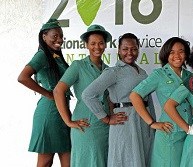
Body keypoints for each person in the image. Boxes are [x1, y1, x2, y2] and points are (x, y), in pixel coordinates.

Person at [82, 33, 155, 167]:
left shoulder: (143, 72)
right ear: (119, 50)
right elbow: (88, 95)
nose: (130, 52)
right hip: (125, 122)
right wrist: (106, 118)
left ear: (138, 49)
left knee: (143, 157)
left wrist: (152, 123)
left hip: (143, 121)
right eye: (125, 49)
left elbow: (148, 100)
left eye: (133, 49)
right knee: (126, 158)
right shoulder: (113, 72)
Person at [53, 24, 120, 167]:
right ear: (86, 45)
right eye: (93, 43)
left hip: (105, 125)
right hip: (85, 125)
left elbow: (109, 98)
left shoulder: (108, 70)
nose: (97, 47)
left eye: (101, 43)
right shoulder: (78, 66)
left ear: (105, 45)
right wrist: (68, 122)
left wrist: (112, 115)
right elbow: (58, 91)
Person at [129, 37, 192, 167]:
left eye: (181, 51)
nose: (177, 56)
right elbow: (135, 96)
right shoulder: (159, 74)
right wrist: (151, 123)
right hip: (169, 134)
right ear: (166, 54)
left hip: (188, 133)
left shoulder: (189, 76)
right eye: (172, 52)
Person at [17, 18, 71, 167]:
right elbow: (22, 77)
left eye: (61, 36)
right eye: (55, 36)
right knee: (46, 161)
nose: (59, 39)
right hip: (49, 113)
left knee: (69, 161)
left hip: (63, 111)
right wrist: (48, 93)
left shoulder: (56, 55)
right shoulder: (42, 55)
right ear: (44, 36)